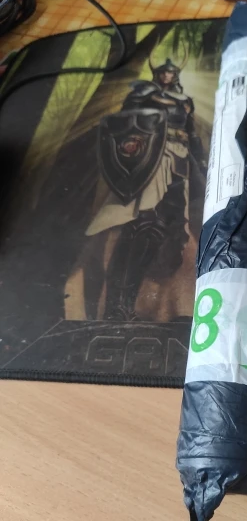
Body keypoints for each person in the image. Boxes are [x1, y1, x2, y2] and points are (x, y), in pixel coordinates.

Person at [85, 53, 207, 321]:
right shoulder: (143, 93)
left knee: (166, 226)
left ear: (176, 74)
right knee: (143, 225)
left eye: (171, 72)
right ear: (156, 72)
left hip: (179, 161)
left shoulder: (184, 101)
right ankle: (117, 307)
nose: (167, 75)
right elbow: (125, 124)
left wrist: (200, 160)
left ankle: (127, 306)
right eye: (163, 71)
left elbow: (191, 134)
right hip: (151, 160)